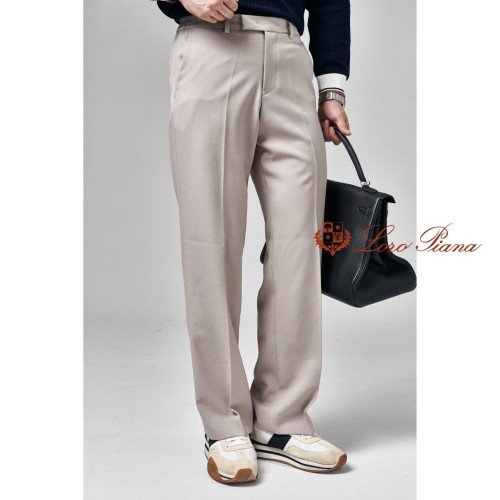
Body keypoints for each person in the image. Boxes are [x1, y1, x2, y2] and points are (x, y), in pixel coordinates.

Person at [152, 0, 351, 484]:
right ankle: (224, 423)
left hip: (289, 56)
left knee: (300, 246)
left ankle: (282, 419)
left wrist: (330, 85)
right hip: (211, 45)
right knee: (210, 241)